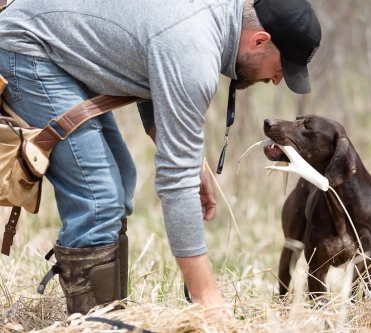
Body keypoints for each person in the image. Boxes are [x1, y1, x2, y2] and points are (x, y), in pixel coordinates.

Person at [0, 0, 321, 317]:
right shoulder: (195, 48)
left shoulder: (212, 15)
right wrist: (206, 297)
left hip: (49, 41)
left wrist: (190, 164)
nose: (277, 80)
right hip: (25, 46)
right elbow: (174, 182)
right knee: (100, 199)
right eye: (280, 69)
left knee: (122, 178)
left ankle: (109, 313)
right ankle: (94, 323)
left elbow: (148, 66)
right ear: (260, 40)